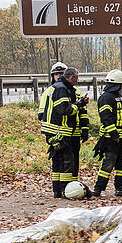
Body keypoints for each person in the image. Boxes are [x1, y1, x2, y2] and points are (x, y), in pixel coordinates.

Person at [45, 67, 88, 198]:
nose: (78, 81)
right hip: (59, 131)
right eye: (77, 78)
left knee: (58, 161)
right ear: (71, 77)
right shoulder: (62, 89)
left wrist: (79, 103)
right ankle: (65, 190)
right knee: (66, 161)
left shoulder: (63, 87)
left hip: (57, 131)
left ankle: (58, 191)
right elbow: (63, 109)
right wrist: (78, 105)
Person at [92, 69, 122, 198]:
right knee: (108, 164)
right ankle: (98, 189)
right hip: (110, 138)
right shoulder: (105, 98)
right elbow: (106, 118)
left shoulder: (117, 96)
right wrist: (114, 134)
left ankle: (120, 188)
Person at [38, 62, 68, 195]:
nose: (59, 76)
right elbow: (41, 114)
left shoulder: (71, 90)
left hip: (67, 131)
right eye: (57, 74)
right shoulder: (49, 92)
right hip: (54, 132)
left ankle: (64, 188)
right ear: (52, 76)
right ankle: (57, 189)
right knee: (58, 159)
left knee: (66, 161)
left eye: (62, 74)